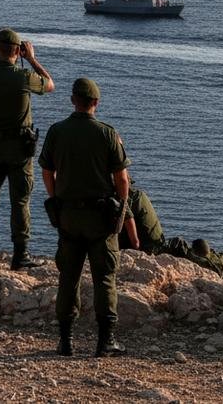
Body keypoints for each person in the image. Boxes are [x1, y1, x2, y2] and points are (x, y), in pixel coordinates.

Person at [39, 77, 130, 358]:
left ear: (72, 100)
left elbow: (46, 171)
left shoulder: (57, 131)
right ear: (96, 103)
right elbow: (122, 179)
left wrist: (55, 200)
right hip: (100, 218)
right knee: (104, 278)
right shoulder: (107, 133)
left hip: (68, 215)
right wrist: (122, 208)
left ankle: (65, 342)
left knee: (68, 277)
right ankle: (105, 343)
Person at [0, 29, 54, 270]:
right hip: (19, 150)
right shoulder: (23, 77)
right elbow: (49, 85)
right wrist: (31, 59)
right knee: (20, 202)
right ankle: (20, 255)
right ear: (18, 51)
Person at [118, 185, 166, 254]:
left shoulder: (126, 198)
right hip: (154, 244)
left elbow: (128, 219)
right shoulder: (138, 195)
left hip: (146, 247)